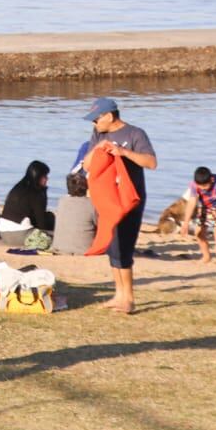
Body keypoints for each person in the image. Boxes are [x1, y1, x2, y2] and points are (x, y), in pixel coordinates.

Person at [83, 96, 157, 314]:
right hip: (108, 199)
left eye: (96, 119)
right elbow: (87, 164)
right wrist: (98, 150)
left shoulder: (135, 134)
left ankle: (129, 299)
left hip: (130, 198)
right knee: (111, 246)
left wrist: (123, 152)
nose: (94, 124)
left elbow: (151, 162)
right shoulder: (99, 134)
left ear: (109, 116)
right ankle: (119, 294)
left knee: (124, 248)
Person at [0, 160, 55, 246]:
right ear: (38, 177)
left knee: (49, 217)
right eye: (45, 176)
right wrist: (44, 192)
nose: (47, 179)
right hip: (20, 235)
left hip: (3, 232)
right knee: (52, 233)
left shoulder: (18, 187)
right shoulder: (36, 193)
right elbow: (41, 222)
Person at [51, 170, 98, 256]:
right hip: (84, 249)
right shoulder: (92, 204)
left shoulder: (62, 202)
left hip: (60, 248)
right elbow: (99, 224)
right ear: (86, 187)